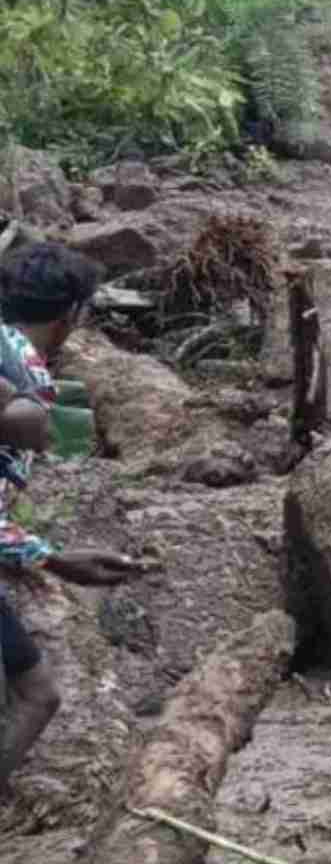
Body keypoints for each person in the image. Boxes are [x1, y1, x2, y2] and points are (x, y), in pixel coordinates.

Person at [0, 244, 145, 797]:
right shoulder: (25, 380)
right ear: (71, 317)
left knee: (37, 695)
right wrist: (54, 559)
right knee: (38, 697)